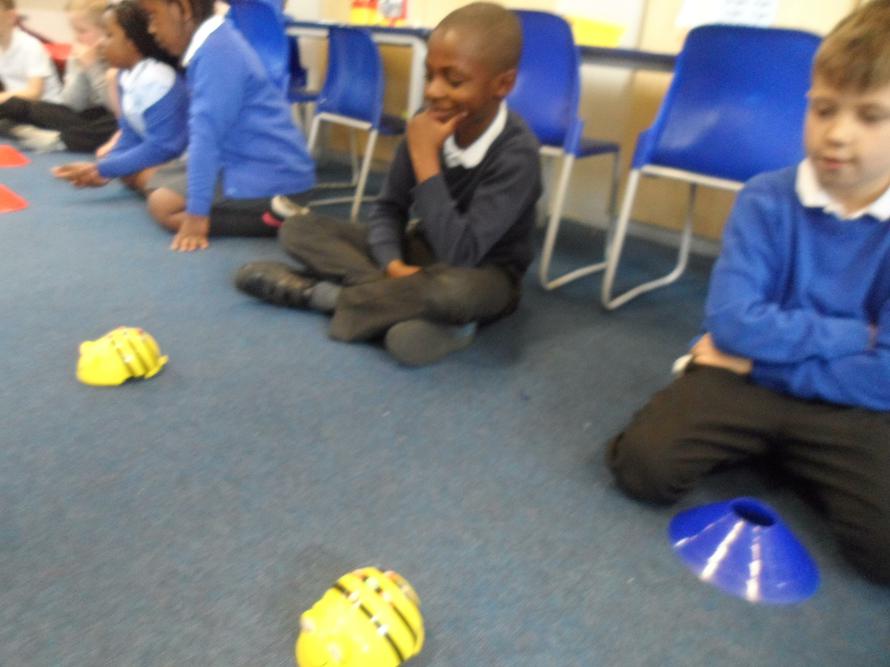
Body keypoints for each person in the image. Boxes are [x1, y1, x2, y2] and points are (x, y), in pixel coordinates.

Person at [606, 0, 890, 585]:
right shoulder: (765, 198)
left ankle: (785, 453)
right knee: (643, 467)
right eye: (823, 108)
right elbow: (734, 321)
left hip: (835, 399)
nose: (837, 133)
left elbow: (883, 377)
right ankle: (785, 454)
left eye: (870, 116)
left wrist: (755, 362)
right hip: (746, 381)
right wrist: (851, 335)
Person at [235, 2, 542, 367]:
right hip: (419, 253)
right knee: (298, 229)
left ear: (503, 84)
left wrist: (426, 160)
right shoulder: (425, 122)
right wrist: (393, 263)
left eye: (454, 80)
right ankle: (409, 310)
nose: (433, 91)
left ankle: (321, 296)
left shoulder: (517, 154)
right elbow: (388, 208)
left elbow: (462, 254)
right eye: (430, 75)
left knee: (454, 292)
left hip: (483, 273)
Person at [137, 0, 315, 252]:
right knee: (147, 179)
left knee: (161, 206)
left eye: (153, 16)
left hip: (272, 175)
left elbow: (206, 138)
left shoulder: (217, 52)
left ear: (183, 9)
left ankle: (276, 219)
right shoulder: (214, 43)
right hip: (241, 161)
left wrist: (196, 215)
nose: (151, 29)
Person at [52, 0, 188, 193]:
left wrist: (104, 168)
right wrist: (105, 168)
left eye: (109, 36)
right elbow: (130, 133)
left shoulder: (157, 79)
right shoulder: (126, 76)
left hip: (182, 157)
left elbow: (164, 146)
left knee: (151, 189)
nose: (102, 43)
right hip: (165, 154)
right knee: (126, 171)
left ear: (132, 44)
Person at [1, 0, 118, 153]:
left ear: (106, 31)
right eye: (74, 31)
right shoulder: (77, 54)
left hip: (108, 116)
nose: (76, 38)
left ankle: (58, 140)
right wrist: (81, 69)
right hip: (79, 116)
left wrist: (93, 67)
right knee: (17, 105)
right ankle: (31, 130)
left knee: (116, 123)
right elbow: (73, 105)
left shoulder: (119, 55)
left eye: (82, 31)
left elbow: (116, 108)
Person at [0, 0, 62, 104]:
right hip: (17, 106)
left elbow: (35, 93)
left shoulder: (30, 46)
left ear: (11, 16)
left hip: (45, 106)